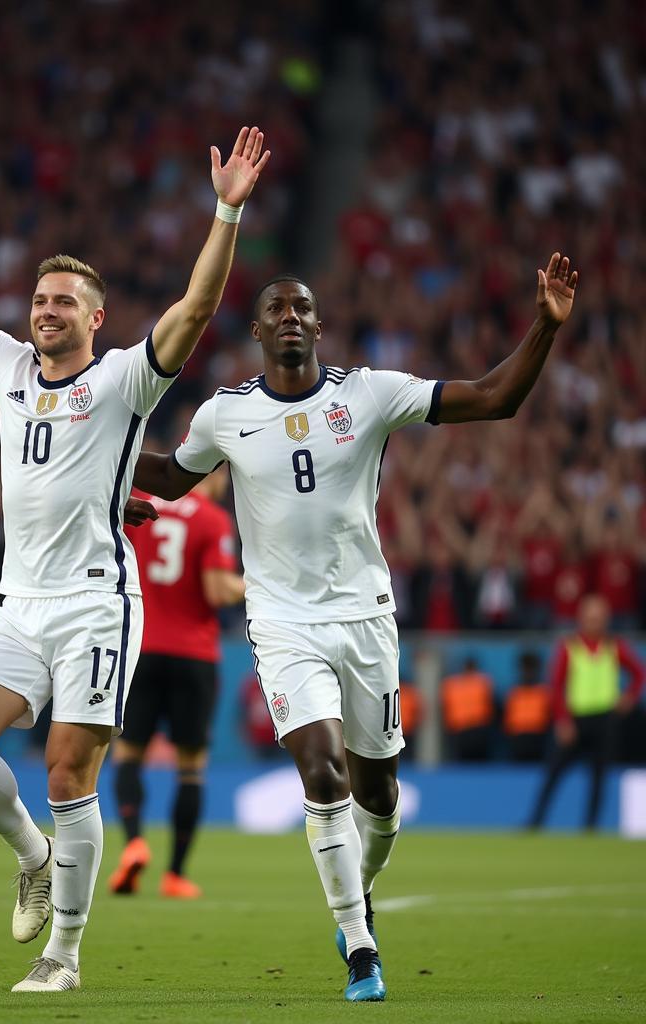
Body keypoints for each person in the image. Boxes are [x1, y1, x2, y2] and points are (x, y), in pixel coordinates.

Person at [0, 106, 270, 992]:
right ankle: (34, 856)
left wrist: (225, 212)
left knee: (71, 769)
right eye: (39, 299)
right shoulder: (2, 366)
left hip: (95, 604)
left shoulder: (123, 381)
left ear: (96, 315)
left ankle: (63, 955)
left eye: (63, 301)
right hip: (21, 605)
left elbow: (194, 310)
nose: (46, 311)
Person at [131, 252, 579, 1001]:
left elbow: (495, 398)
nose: (292, 319)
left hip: (366, 618)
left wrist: (544, 324)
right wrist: (94, 461)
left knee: (380, 794)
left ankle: (359, 890)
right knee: (322, 770)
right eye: (277, 309)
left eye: (303, 308)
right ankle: (361, 947)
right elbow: (175, 476)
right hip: (281, 623)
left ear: (320, 326)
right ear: (257, 332)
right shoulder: (226, 413)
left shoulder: (368, 395)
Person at [109, 469, 245, 900]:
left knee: (129, 754)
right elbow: (218, 590)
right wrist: (263, 583)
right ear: (213, 472)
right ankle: (175, 875)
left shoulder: (139, 504)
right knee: (191, 767)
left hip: (141, 647)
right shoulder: (212, 519)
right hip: (193, 655)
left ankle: (133, 842)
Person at [528, 594, 644, 830]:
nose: (595, 622)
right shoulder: (569, 647)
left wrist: (630, 696)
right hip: (576, 719)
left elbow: (639, 673)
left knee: (599, 778)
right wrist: (563, 721)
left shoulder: (614, 646)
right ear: (581, 619)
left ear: (606, 619)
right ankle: (535, 823)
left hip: (605, 719)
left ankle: (590, 828)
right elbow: (556, 686)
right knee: (553, 774)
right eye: (590, 617)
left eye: (599, 618)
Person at [440, 656, 496, 761]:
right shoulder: (483, 682)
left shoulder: (452, 684)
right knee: (480, 762)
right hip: (478, 728)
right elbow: (491, 704)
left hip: (461, 729)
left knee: (463, 763)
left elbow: (445, 707)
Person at [503, 651, 551, 762]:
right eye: (525, 669)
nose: (528, 673)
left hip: (538, 740)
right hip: (517, 740)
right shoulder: (513, 693)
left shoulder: (543, 692)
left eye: (530, 669)